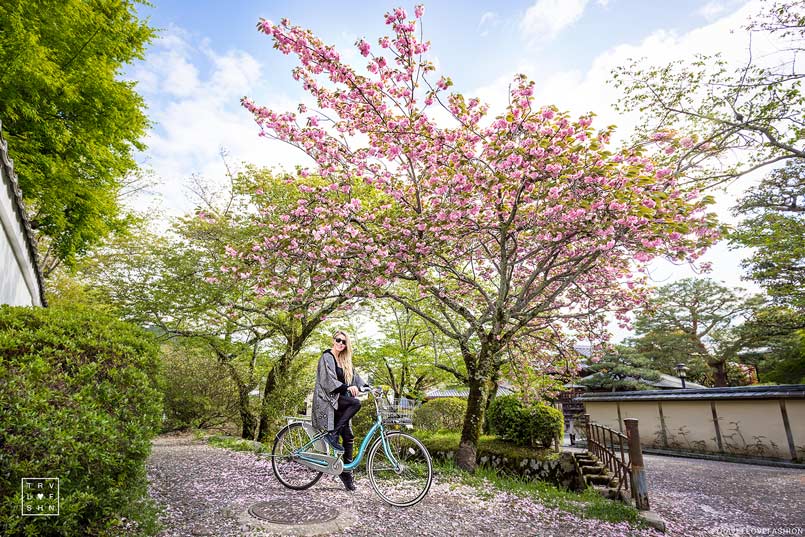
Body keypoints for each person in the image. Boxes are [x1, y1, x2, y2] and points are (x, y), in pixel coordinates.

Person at [311, 330, 367, 491]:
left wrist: (369, 388)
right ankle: (333, 433)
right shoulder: (326, 357)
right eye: (338, 340)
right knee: (356, 403)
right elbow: (327, 381)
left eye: (344, 342)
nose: (341, 344)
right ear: (333, 340)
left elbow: (356, 379)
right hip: (328, 401)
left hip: (341, 402)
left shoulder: (345, 361)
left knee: (349, 437)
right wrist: (348, 387)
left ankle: (346, 473)